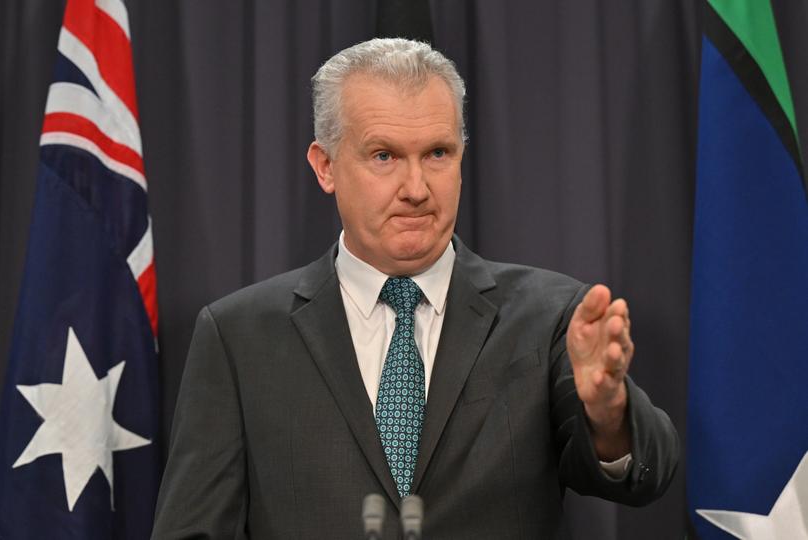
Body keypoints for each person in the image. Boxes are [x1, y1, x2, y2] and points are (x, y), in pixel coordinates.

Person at [151, 38, 678, 539]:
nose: (416, 189)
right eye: (384, 156)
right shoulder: (239, 336)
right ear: (326, 166)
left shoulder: (551, 316)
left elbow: (646, 476)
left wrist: (607, 411)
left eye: (437, 154)